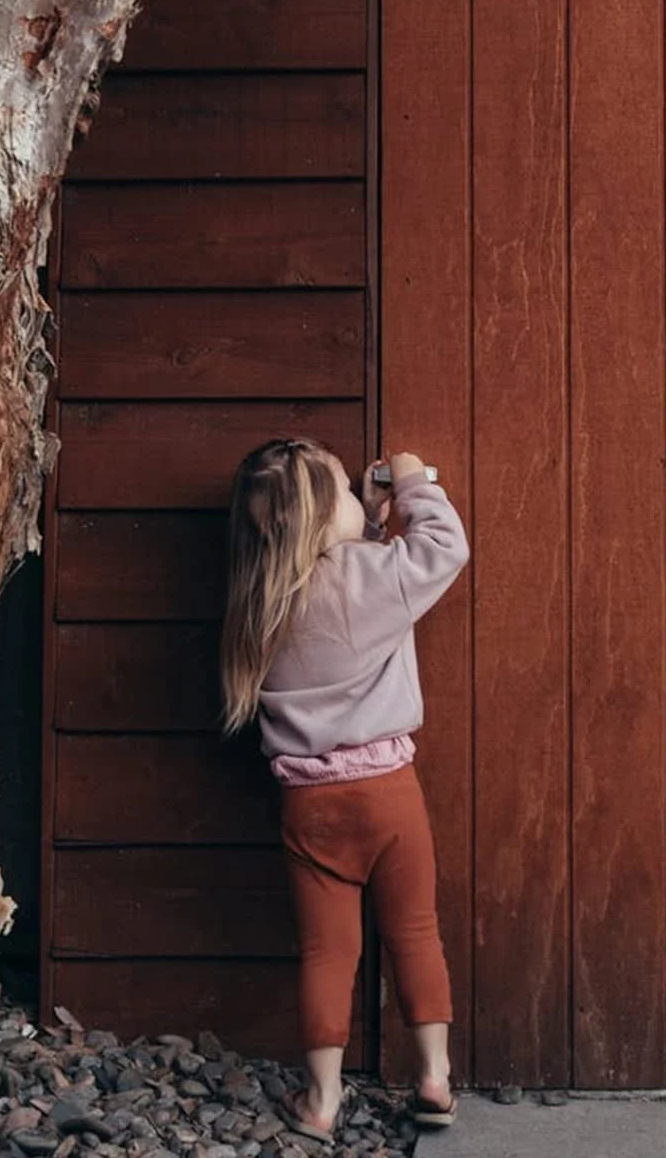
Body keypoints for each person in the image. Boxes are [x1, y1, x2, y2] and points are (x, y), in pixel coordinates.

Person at [220, 438, 469, 1146]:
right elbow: (442, 550)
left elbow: (352, 576)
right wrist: (415, 486)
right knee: (414, 933)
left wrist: (376, 519)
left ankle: (323, 1101)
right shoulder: (372, 577)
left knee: (329, 954)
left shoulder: (260, 595)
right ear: (328, 518)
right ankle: (433, 1079)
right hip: (388, 794)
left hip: (309, 807)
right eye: (347, 493)